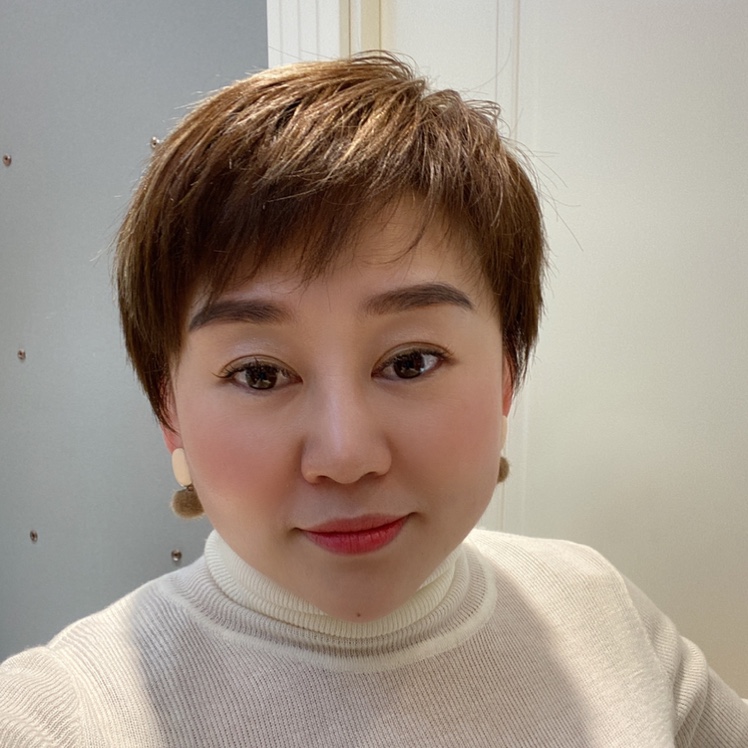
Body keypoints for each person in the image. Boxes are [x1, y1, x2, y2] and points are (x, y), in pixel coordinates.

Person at [1, 53, 746, 747]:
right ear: (170, 411)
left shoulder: (602, 611)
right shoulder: (63, 714)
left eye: (411, 362)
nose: (346, 455)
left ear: (506, 374)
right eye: (259, 374)